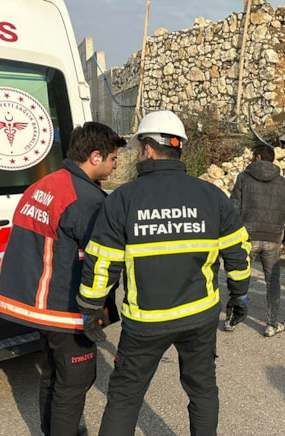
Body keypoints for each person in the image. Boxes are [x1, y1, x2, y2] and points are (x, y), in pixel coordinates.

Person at [77, 110, 251, 435]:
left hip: (146, 323)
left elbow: (102, 261)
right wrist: (239, 296)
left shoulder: (124, 199)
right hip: (199, 318)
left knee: (125, 397)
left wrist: (90, 307)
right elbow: (238, 251)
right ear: (178, 148)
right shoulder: (211, 195)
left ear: (147, 149)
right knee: (202, 391)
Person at [0, 122, 125, 436]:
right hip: (64, 310)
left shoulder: (46, 183)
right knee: (74, 383)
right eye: (112, 158)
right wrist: (97, 309)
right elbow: (102, 259)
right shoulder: (86, 199)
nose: (116, 164)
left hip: (35, 305)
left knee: (53, 377)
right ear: (95, 157)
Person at [230, 142, 285, 337]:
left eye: (252, 155)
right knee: (272, 282)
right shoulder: (283, 183)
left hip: (247, 237)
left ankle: (232, 317)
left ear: (258, 157)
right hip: (272, 239)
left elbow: (233, 208)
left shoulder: (243, 178)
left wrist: (231, 237)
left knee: (239, 278)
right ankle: (272, 324)